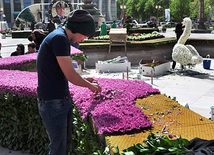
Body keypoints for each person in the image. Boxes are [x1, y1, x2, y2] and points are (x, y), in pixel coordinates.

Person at [36, 9, 102, 155]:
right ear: (79, 30)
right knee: (58, 149)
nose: (83, 40)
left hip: (58, 100)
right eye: (84, 36)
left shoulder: (60, 36)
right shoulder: (59, 38)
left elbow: (63, 71)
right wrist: (90, 86)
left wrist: (84, 80)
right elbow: (71, 75)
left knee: (62, 147)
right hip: (53, 102)